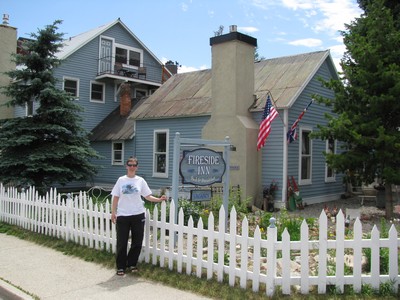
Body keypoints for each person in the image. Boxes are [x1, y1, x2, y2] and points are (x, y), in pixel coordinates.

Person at [111, 157, 167, 276]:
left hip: (138, 214)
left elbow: (147, 196)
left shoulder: (140, 181)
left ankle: (132, 264)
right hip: (123, 215)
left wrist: (159, 199)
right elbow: (115, 197)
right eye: (130, 165)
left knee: (137, 241)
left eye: (134, 165)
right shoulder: (121, 180)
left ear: (137, 167)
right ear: (126, 166)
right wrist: (113, 212)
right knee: (122, 242)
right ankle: (121, 266)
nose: (132, 167)